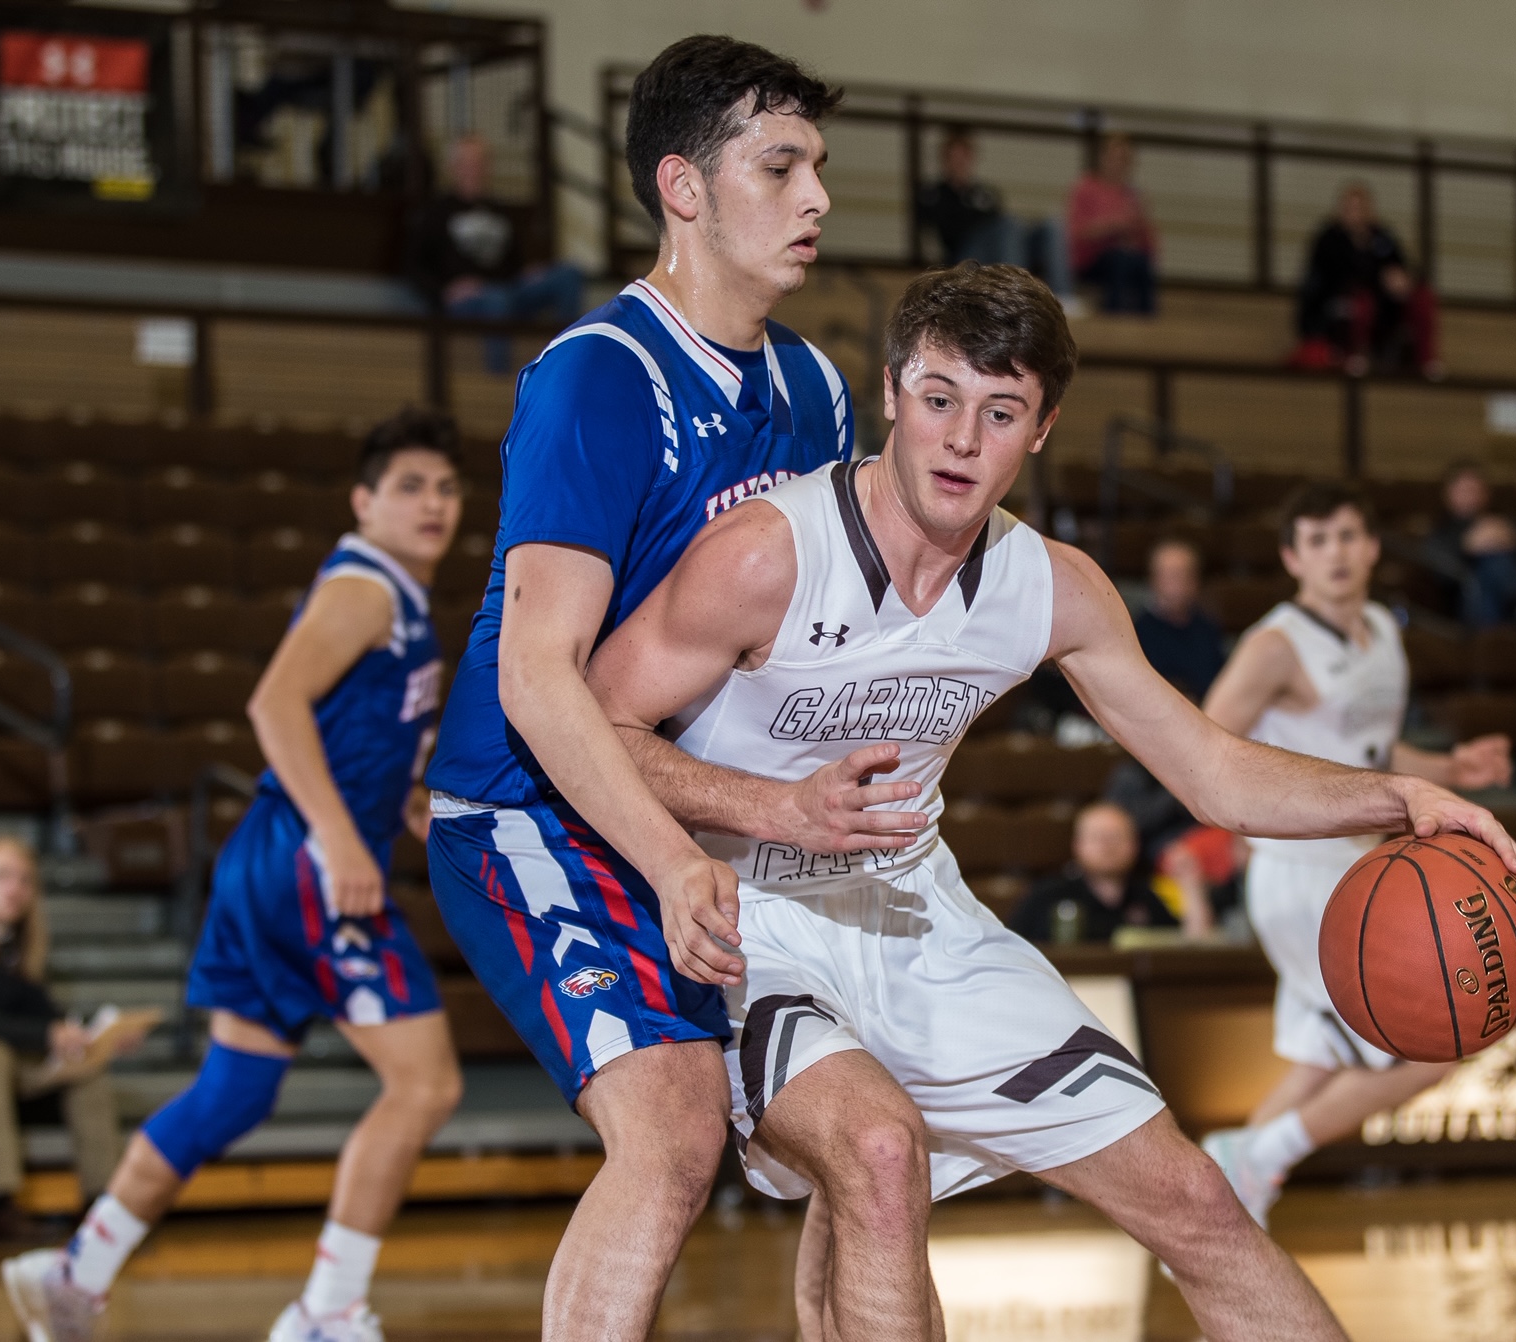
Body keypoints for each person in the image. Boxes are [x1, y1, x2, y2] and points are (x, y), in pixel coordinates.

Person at [582, 262, 1516, 1342]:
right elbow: (592, 724)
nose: (960, 440)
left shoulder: (1050, 587)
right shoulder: (768, 554)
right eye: (939, 398)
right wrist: (770, 807)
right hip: (747, 920)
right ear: (891, 391)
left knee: (1196, 1198)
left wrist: (1399, 797)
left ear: (1040, 431)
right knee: (880, 1157)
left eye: (1000, 413)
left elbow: (1212, 770)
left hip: (913, 913)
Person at [419, 40, 896, 1342]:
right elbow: (536, 676)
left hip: (695, 807)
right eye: (780, 167)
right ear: (683, 187)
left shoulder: (814, 388)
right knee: (675, 1126)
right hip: (531, 806)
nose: (816, 197)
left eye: (818, 168)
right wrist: (677, 858)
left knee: (865, 1134)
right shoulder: (600, 374)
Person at [4, 411, 468, 1342]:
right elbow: (273, 703)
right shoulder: (366, 588)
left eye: (448, 488)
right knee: (425, 1087)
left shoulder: (397, 598)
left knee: (234, 1091)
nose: (434, 504)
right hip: (306, 857)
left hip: (270, 856)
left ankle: (75, 1274)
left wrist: (405, 802)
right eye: (410, 486)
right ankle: (327, 1311)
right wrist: (340, 838)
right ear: (363, 502)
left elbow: (351, 737)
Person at [1193, 479, 1515, 1229]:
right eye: (1317, 540)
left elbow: (1373, 754)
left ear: (1371, 547)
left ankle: (1216, 1213)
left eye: (1346, 536)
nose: (1334, 553)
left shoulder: (1380, 630)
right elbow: (1201, 748)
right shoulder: (1275, 645)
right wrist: (1251, 822)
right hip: (1304, 874)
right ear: (1291, 558)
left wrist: (1450, 767)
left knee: (1319, 1063)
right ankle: (1258, 1155)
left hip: (1358, 866)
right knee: (1434, 1049)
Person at [0, 837, 134, 1242]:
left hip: (15, 1080)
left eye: (24, 880)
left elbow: (47, 1017)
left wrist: (93, 1037)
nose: (14, 888)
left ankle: (100, 1209)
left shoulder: (21, 953)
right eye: (2, 876)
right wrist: (45, 1034)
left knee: (87, 1072)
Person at [410, 134, 584, 373]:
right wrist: (445, 291)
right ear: (453, 168)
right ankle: (499, 377)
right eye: (469, 164)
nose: (476, 170)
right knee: (497, 298)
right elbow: (414, 266)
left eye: (482, 163)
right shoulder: (435, 212)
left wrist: (527, 273)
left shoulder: (499, 210)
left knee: (568, 275)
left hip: (508, 289)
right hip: (469, 300)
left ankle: (568, 363)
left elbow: (512, 263)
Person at [1291, 182, 1441, 377]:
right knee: (1361, 301)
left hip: (1384, 310)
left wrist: (1404, 280)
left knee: (1422, 297)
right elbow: (1333, 279)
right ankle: (1355, 355)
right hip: (1339, 307)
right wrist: (1379, 279)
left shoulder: (1382, 237)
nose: (1355, 214)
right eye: (1349, 208)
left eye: (1359, 208)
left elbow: (1404, 265)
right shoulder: (1329, 239)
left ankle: (1426, 361)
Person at [914, 127, 1072, 300]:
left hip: (997, 248)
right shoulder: (933, 194)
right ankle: (1015, 293)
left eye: (964, 158)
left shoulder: (986, 193)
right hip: (965, 254)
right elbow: (942, 227)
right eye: (954, 158)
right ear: (945, 161)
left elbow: (999, 224)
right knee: (1008, 226)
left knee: (1051, 225)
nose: (960, 164)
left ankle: (1063, 294)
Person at [1008, 802, 1198, 944]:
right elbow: (1011, 949)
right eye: (1097, 838)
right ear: (1077, 845)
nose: (1107, 846)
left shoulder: (1147, 897)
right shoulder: (1047, 896)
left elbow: (1187, 945)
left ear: (1134, 845)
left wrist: (1191, 884)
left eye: (1116, 837)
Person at [1423, 461, 1516, 627]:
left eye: (1475, 490)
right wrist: (1466, 546)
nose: (1470, 497)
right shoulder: (1442, 532)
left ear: (1487, 494)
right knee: (1487, 571)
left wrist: (1513, 539)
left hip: (1504, 602)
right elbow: (1441, 572)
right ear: (1447, 494)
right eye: (1463, 490)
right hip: (1467, 601)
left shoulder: (1504, 523)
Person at [1067, 133, 1158, 314]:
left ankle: (1147, 319)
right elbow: (1076, 232)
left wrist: (1136, 233)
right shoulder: (1086, 187)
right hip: (1090, 260)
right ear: (1103, 158)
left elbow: (1150, 244)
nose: (1119, 164)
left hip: (1126, 257)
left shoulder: (1133, 194)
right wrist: (1112, 226)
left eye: (1124, 159)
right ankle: (1114, 316)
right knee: (1119, 261)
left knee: (1140, 263)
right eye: (1115, 158)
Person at [1133, 537, 1226, 701]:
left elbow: (1218, 685)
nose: (1178, 584)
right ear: (1153, 579)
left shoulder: (1208, 629)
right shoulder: (1136, 631)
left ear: (1195, 580)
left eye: (1185, 574)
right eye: (1171, 575)